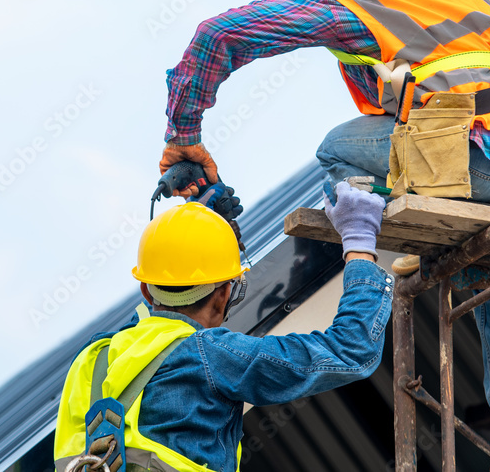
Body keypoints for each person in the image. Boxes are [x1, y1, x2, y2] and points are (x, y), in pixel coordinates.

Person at [157, 0, 490, 471]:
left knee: (339, 148)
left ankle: (368, 230)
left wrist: (182, 136)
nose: (298, 2)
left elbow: (219, 36)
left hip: (465, 158)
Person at [54, 184, 391, 472]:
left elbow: (146, 323)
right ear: (225, 294)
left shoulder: (93, 357)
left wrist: (188, 236)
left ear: (145, 289)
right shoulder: (209, 355)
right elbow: (351, 350)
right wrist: (359, 244)